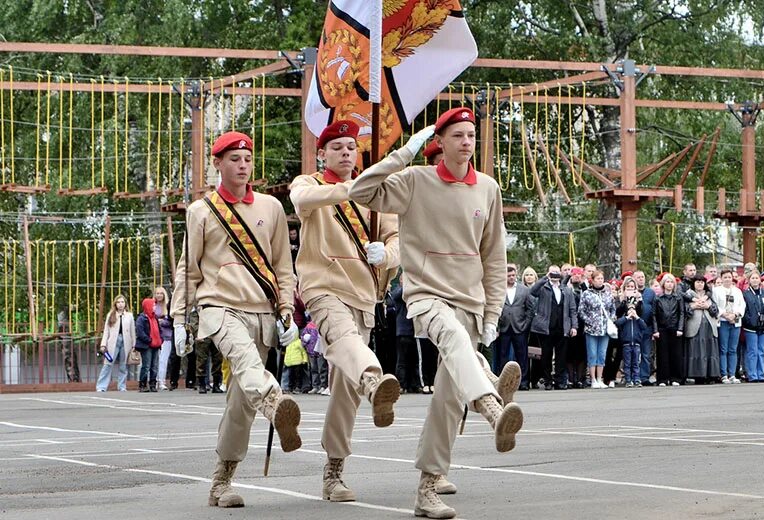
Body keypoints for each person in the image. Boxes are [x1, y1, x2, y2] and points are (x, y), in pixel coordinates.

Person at [350, 107, 523, 519]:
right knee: (455, 340)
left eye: (471, 135)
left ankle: (427, 488)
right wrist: (403, 153)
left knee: (447, 399)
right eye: (458, 135)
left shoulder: (488, 188)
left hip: (470, 301)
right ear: (439, 142)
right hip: (426, 295)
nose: (466, 142)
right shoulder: (415, 180)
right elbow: (361, 190)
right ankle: (491, 404)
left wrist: (493, 313)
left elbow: (494, 257)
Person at [171, 131, 301, 509]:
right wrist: (179, 318)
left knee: (241, 403)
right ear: (217, 163)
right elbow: (189, 269)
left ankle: (221, 481)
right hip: (219, 307)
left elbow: (283, 266)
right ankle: (276, 405)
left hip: (262, 310)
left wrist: (287, 310)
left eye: (247, 159)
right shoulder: (201, 211)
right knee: (245, 363)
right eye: (234, 159)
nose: (243, 165)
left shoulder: (271, 207)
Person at [290, 120, 402, 503]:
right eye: (337, 147)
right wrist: (353, 189)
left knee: (344, 391)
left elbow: (397, 238)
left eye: (351, 147)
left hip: (364, 295)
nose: (345, 153)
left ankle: (334, 468)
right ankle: (374, 380)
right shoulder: (309, 184)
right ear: (322, 153)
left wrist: (386, 254)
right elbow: (302, 201)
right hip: (323, 287)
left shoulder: (375, 195)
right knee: (344, 339)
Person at [530, 267, 577, 390]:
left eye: (557, 274)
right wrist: (545, 278)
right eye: (553, 274)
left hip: (562, 326)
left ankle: (560, 380)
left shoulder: (566, 290)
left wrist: (574, 326)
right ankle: (548, 380)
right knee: (546, 355)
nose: (555, 276)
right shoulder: (544, 288)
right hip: (546, 327)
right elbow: (532, 291)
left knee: (561, 356)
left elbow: (572, 309)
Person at [496, 264, 534, 388]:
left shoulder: (524, 290)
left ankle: (523, 382)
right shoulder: (499, 289)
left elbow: (530, 309)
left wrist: (526, 324)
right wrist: (497, 326)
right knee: (503, 356)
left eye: (513, 275)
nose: (511, 278)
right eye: (509, 276)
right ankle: (504, 383)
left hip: (520, 327)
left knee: (522, 355)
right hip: (504, 327)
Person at [577, 270, 615, 389]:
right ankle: (593, 379)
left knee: (602, 354)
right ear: (592, 281)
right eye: (597, 279)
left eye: (601, 279)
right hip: (591, 329)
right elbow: (581, 311)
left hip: (604, 329)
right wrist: (589, 321)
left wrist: (611, 319)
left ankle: (600, 378)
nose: (600, 281)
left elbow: (612, 309)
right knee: (592, 354)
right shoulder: (586, 294)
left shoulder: (608, 293)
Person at [683, 275, 720, 384]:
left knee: (709, 350)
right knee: (696, 350)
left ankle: (711, 375)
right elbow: (683, 310)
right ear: (693, 283)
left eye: (702, 282)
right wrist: (693, 306)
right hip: (694, 327)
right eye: (697, 282)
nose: (700, 284)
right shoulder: (688, 295)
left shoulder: (709, 296)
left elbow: (716, 311)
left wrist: (707, 306)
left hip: (709, 327)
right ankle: (697, 375)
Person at [712, 269, 746, 384]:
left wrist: (735, 315)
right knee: (723, 349)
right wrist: (725, 315)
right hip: (722, 321)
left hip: (735, 322)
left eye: (729, 277)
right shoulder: (716, 291)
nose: (727, 279)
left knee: (733, 349)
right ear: (721, 279)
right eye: (725, 277)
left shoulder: (737, 291)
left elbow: (742, 305)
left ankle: (732, 374)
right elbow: (715, 305)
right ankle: (724, 374)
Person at [96, 295, 135, 392]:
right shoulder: (111, 315)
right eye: (118, 302)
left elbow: (132, 331)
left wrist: (134, 345)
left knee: (123, 365)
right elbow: (106, 331)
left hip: (126, 342)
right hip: (113, 342)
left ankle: (122, 386)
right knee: (108, 364)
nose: (120, 304)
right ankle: (101, 387)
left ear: (125, 304)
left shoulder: (129, 315)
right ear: (115, 304)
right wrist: (103, 344)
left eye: (122, 302)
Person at [653, 273, 686, 386]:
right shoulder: (658, 298)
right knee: (662, 355)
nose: (670, 284)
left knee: (676, 355)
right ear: (663, 284)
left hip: (675, 329)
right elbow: (654, 315)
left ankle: (675, 378)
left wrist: (680, 328)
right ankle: (662, 379)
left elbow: (681, 313)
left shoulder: (678, 298)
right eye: (667, 282)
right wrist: (655, 330)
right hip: (662, 329)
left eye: (672, 282)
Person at [614, 277, 648, 387]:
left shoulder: (638, 298)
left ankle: (636, 379)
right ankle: (627, 379)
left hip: (636, 337)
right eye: (628, 286)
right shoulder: (620, 298)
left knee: (636, 362)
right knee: (627, 362)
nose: (630, 288)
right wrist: (625, 301)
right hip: (625, 336)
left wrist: (638, 303)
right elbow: (618, 314)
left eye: (632, 287)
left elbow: (641, 314)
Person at [741, 271, 764, 383]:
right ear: (749, 280)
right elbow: (744, 311)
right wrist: (750, 321)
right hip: (751, 327)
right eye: (752, 278)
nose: (755, 280)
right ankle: (752, 374)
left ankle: (761, 374)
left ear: (760, 280)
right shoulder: (745, 294)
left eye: (756, 278)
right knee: (752, 351)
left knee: (761, 351)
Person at [136, 297, 163, 392]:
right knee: (146, 365)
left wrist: (161, 339)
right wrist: (149, 340)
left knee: (154, 366)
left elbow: (159, 330)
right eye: (153, 305)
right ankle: (142, 384)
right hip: (146, 345)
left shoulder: (155, 318)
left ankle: (152, 384)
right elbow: (140, 332)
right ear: (148, 306)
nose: (155, 307)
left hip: (156, 344)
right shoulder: (141, 318)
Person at [153, 287, 173, 391]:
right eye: (157, 293)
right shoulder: (153, 306)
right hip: (155, 336)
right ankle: (153, 381)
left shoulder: (169, 306)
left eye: (161, 293)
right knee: (154, 360)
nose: (159, 295)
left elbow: (172, 321)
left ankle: (161, 381)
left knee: (163, 360)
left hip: (166, 336)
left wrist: (162, 322)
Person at [58, 308, 81, 383]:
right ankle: (74, 379)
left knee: (69, 358)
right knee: (69, 358)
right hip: (65, 337)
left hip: (66, 337)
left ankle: (74, 380)